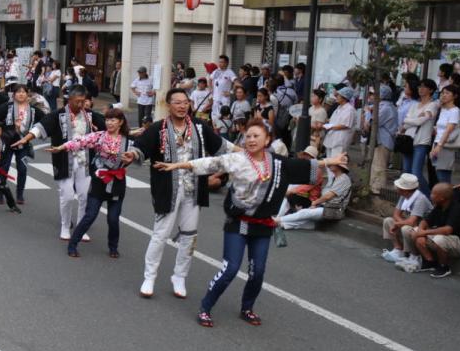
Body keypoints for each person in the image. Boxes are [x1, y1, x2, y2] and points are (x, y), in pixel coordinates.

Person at [154, 119, 345, 327]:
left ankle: (247, 307)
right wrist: (177, 165)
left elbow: (303, 165)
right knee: (231, 269)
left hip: (262, 225)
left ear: (267, 140)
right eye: (248, 136)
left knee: (258, 271)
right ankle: (206, 307)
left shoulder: (278, 162)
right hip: (238, 222)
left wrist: (330, 161)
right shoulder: (237, 159)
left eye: (256, 136)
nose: (251, 140)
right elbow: (208, 163)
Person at [128, 88, 234, 298]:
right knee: (160, 235)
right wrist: (132, 154)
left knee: (189, 236)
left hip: (193, 190)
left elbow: (221, 146)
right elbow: (140, 148)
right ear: (168, 105)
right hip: (167, 189)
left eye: (185, 102)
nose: (182, 106)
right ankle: (149, 276)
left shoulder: (200, 127)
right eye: (177, 102)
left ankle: (179, 276)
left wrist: (246, 153)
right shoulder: (158, 129)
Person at [15, 85, 103, 241]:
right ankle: (65, 225)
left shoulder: (90, 116)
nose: (81, 105)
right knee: (67, 195)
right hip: (63, 159)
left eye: (83, 101)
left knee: (84, 196)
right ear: (69, 100)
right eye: (77, 101)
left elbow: (109, 128)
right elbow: (40, 127)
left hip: (86, 160)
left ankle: (81, 228)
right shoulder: (58, 115)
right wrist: (26, 138)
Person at [50, 108, 137, 258]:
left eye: (113, 120)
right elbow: (80, 141)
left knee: (113, 218)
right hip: (99, 181)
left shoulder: (129, 141)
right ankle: (73, 244)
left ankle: (113, 247)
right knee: (90, 215)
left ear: (121, 122)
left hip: (117, 182)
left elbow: (139, 153)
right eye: (107, 120)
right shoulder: (99, 136)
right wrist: (61, 147)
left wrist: (134, 156)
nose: (109, 123)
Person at [0, 84, 44, 204]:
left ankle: (20, 194)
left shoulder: (33, 110)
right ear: (14, 94)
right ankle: (1, 193)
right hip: (7, 142)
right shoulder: (7, 107)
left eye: (23, 92)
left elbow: (45, 121)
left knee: (22, 168)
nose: (21, 94)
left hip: (23, 143)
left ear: (27, 94)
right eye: (18, 92)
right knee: (3, 168)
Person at [411, 182, 460, 278]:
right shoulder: (439, 207)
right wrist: (420, 232)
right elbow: (425, 221)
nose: (430, 195)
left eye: (433, 194)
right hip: (446, 238)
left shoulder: (457, 209)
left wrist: (424, 232)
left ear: (442, 198)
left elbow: (447, 230)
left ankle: (443, 266)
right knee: (414, 231)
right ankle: (429, 261)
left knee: (440, 239)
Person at [277, 159, 352, 229]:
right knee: (306, 218)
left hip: (334, 210)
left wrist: (315, 203)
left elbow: (328, 196)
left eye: (333, 164)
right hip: (325, 206)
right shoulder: (335, 178)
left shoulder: (343, 178)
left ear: (339, 167)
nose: (330, 165)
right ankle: (282, 224)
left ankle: (277, 220)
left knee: (304, 213)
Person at [382, 173, 434, 265]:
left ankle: (414, 255)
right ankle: (398, 249)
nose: (397, 189)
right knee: (388, 221)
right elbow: (396, 214)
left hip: (424, 227)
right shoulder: (404, 196)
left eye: (399, 187)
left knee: (405, 228)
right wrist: (400, 223)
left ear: (405, 190)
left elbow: (412, 222)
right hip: (413, 224)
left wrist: (398, 224)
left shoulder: (420, 199)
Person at [400, 79, 439, 196]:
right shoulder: (415, 104)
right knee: (406, 171)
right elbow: (406, 122)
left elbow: (420, 121)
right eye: (419, 87)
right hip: (408, 140)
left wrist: (412, 120)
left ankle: (428, 197)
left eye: (424, 87)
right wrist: (415, 119)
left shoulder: (432, 105)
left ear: (431, 90)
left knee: (416, 172)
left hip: (421, 141)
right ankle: (410, 197)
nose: (420, 89)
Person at [431, 84, 460, 185]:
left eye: (447, 93)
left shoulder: (455, 111)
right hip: (438, 143)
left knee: (443, 176)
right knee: (439, 174)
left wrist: (439, 146)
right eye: (442, 93)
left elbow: (448, 130)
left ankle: (448, 198)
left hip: (445, 145)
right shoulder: (443, 109)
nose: (443, 95)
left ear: (455, 96)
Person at [323, 86, 356, 159]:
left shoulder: (349, 110)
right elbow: (334, 120)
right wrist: (325, 121)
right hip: (332, 138)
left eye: (338, 95)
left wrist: (329, 126)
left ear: (344, 97)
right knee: (329, 162)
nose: (336, 97)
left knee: (336, 163)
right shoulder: (339, 107)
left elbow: (345, 125)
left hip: (340, 140)